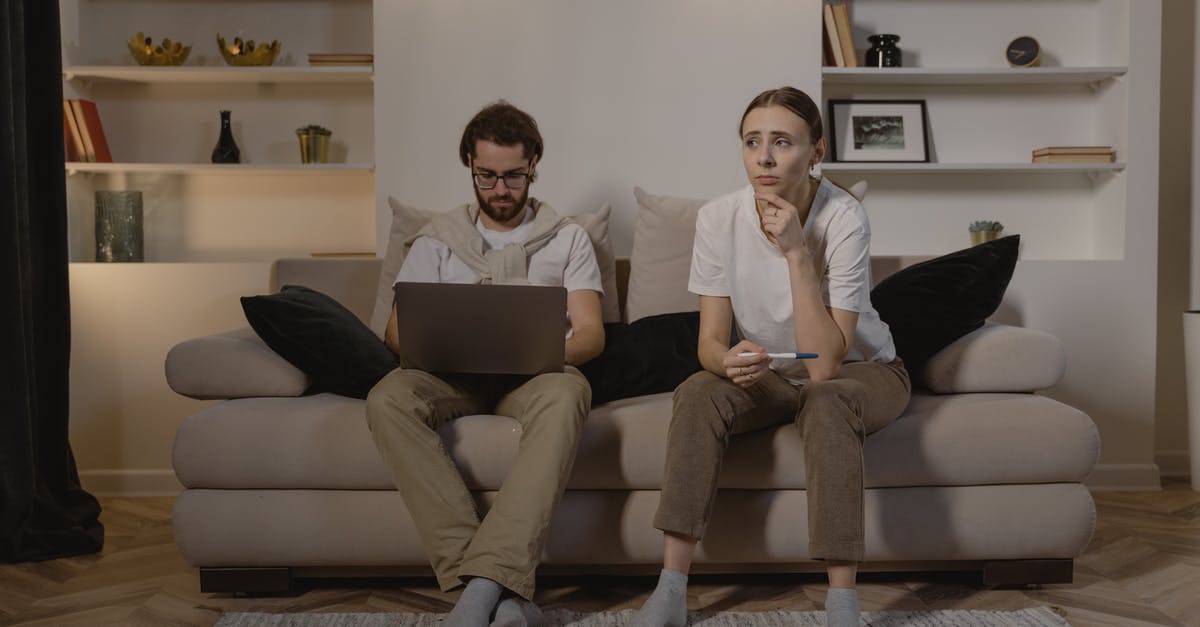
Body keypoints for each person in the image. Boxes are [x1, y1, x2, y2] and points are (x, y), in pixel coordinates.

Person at [629, 86, 911, 627]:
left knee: (826, 399)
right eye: (752, 141)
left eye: (782, 142)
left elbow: (827, 365)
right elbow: (709, 342)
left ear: (816, 152)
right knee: (696, 390)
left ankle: (842, 605)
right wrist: (726, 361)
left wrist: (798, 253)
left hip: (861, 373)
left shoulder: (844, 217)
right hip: (775, 376)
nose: (763, 158)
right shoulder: (717, 218)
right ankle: (669, 590)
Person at [366, 101, 605, 627]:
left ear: (535, 164)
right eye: (487, 176)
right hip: (450, 375)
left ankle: (478, 596)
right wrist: (451, 348)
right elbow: (395, 332)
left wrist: (533, 350)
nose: (500, 190)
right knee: (387, 399)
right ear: (469, 166)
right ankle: (496, 592)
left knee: (570, 394)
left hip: (536, 376)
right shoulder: (437, 238)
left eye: (514, 176)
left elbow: (589, 335)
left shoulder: (566, 238)